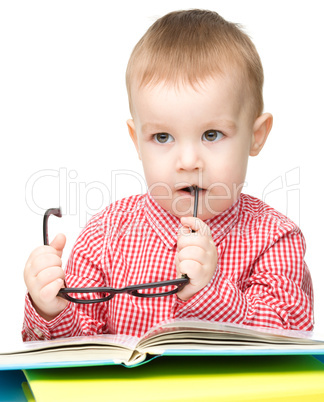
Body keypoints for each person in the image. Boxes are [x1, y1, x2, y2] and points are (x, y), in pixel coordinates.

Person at [22, 9, 313, 341]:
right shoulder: (104, 237)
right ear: (137, 141)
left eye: (212, 134)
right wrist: (50, 308)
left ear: (256, 135)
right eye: (162, 137)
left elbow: (290, 334)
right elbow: (80, 346)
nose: (188, 162)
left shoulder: (274, 237)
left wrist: (211, 292)